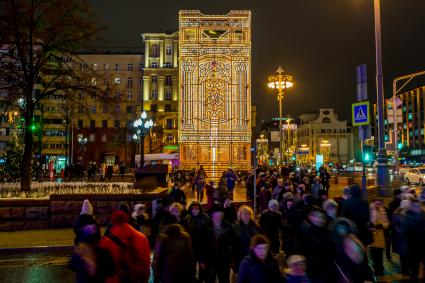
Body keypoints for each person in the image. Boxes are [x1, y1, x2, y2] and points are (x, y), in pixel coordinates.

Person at [99, 210, 151, 283]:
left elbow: (103, 268)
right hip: (136, 279)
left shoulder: (106, 242)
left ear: (113, 221)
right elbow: (146, 262)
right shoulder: (142, 237)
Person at [201, 204, 236, 283]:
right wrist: (202, 259)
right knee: (210, 279)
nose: (221, 214)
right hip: (210, 259)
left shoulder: (228, 226)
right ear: (212, 214)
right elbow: (202, 244)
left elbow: (233, 243)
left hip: (224, 259)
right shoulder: (206, 227)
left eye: (222, 212)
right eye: (218, 212)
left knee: (224, 279)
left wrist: (232, 258)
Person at [298, 206, 332, 282]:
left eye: (323, 218)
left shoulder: (327, 232)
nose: (321, 220)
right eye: (318, 217)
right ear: (311, 217)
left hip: (325, 269)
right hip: (311, 269)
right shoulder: (305, 231)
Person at [184, 201, 210, 282]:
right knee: (191, 268)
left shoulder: (205, 217)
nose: (194, 210)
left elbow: (209, 231)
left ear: (200, 209)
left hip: (202, 247)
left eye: (196, 209)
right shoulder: (187, 218)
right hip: (192, 248)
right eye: (193, 209)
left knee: (203, 268)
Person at [233, 205, 263, 273]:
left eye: (249, 213)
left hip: (255, 255)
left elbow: (262, 237)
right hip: (241, 257)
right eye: (245, 214)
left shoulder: (255, 226)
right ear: (240, 215)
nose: (247, 215)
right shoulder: (236, 227)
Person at [402, 199, 425, 280]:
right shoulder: (409, 218)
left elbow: (404, 234)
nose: (418, 207)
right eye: (416, 206)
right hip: (415, 247)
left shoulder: (408, 218)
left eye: (418, 205)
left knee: (416, 267)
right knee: (415, 267)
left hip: (416, 247)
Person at [368, 199, 389, 276]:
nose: (378, 205)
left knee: (379, 254)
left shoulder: (382, 211)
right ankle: (377, 268)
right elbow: (368, 223)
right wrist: (370, 227)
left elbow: (386, 223)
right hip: (372, 237)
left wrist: (381, 226)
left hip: (380, 237)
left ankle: (380, 268)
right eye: (376, 203)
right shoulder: (370, 211)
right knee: (374, 254)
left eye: (379, 204)